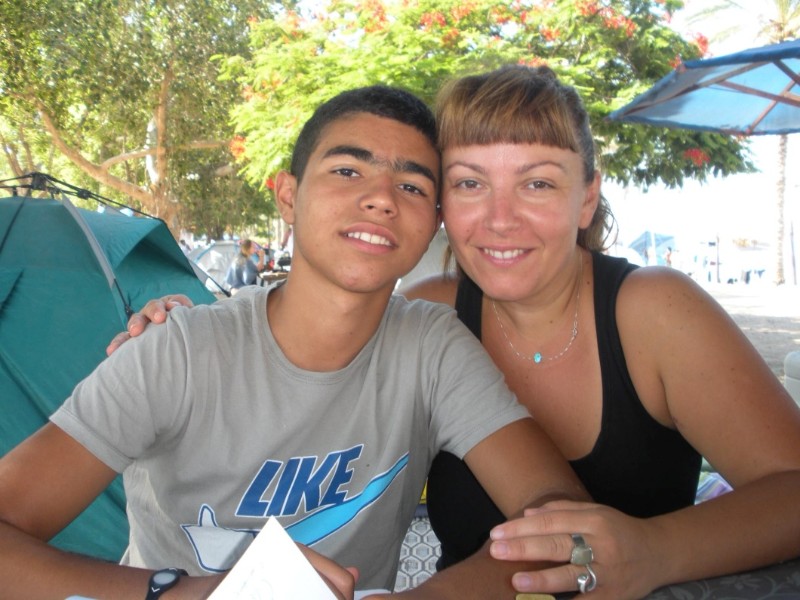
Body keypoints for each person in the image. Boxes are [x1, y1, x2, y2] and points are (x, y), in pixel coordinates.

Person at [119, 66, 800, 599]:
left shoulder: (651, 310)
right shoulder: (430, 316)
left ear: (586, 198)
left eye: (537, 184)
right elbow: (302, 355)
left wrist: (656, 552)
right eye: (471, 184)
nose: (500, 219)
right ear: (443, 203)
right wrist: (188, 328)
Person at [0, 84, 588, 600]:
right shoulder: (176, 352)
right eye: (348, 171)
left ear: (432, 223)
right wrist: (184, 593)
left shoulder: (430, 347)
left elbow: (555, 506)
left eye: (411, 185)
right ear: (288, 195)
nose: (381, 198)